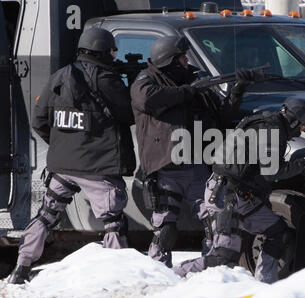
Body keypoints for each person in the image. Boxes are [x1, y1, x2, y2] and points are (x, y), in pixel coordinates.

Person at [7, 28, 136, 284]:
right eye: (111, 51)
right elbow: (129, 114)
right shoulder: (107, 79)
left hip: (63, 167)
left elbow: (39, 119)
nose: (114, 55)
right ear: (101, 50)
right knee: (113, 223)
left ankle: (21, 267)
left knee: (46, 216)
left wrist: (62, 145)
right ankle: (119, 278)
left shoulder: (59, 76)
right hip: (98, 168)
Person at [130, 35, 257, 267]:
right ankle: (157, 273)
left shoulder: (194, 81)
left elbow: (222, 115)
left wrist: (239, 88)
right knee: (165, 230)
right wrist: (188, 91)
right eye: (182, 58)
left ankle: (214, 268)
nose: (187, 62)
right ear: (169, 61)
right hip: (165, 168)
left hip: (197, 166)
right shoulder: (146, 80)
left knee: (216, 221)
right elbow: (146, 99)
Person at [172, 97, 305, 283]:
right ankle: (174, 275)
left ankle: (265, 282)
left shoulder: (266, 124)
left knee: (276, 231)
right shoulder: (273, 131)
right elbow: (272, 172)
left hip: (240, 195)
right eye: (303, 127)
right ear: (295, 120)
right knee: (223, 258)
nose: (300, 133)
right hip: (224, 195)